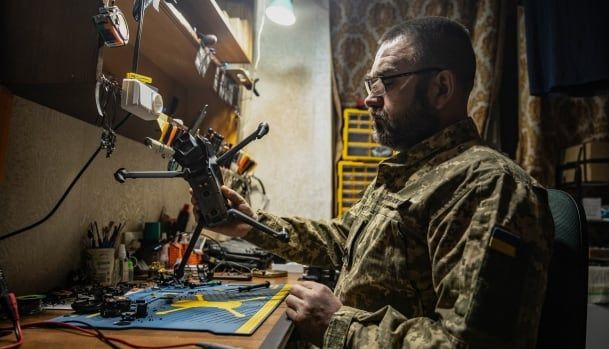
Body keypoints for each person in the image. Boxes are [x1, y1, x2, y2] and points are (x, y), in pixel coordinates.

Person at [194, 17, 553, 348]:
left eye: (390, 81)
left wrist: (338, 325)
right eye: (371, 82)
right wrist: (251, 225)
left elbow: (466, 344)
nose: (369, 99)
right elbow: (342, 240)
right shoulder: (409, 170)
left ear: (441, 88)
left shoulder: (486, 186)